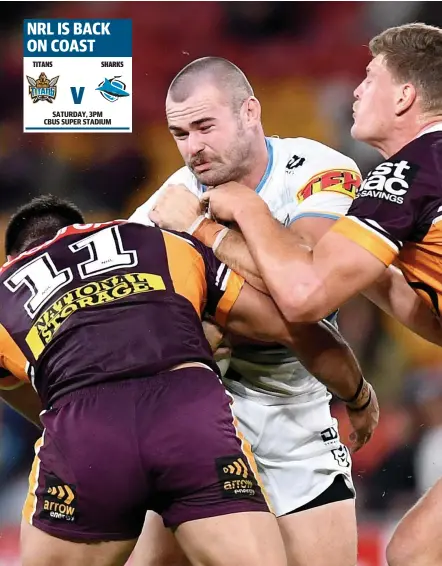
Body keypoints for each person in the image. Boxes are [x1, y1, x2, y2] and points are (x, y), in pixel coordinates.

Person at [0, 196, 376, 566]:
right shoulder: (163, 242)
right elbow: (293, 329)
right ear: (83, 225)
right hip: (187, 417)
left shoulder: (6, 288)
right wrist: (357, 395)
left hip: (86, 434)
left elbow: (25, 391)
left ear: (13, 258)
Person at [197, 23, 442, 566]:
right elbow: (429, 318)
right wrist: (372, 270)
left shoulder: (410, 171)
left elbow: (304, 297)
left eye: (370, 78)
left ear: (405, 96)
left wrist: (230, 219)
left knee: (416, 555)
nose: (355, 90)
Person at [130, 56, 372, 566]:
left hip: (296, 421)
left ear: (250, 112)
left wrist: (204, 231)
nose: (192, 147)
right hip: (199, 422)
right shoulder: (157, 209)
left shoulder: (319, 171)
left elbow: (304, 284)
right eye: (179, 133)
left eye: (204, 126)